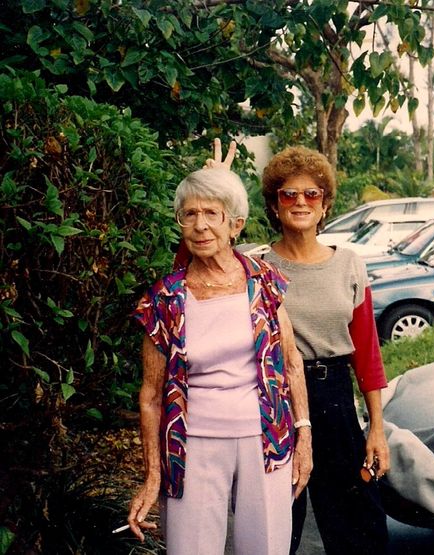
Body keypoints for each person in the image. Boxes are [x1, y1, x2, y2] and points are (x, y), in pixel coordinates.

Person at [205, 141, 391, 554]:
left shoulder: (349, 265)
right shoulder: (252, 266)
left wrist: (375, 427)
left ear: (325, 205)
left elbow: (368, 354)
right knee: (275, 526)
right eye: (289, 194)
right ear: (274, 205)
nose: (301, 201)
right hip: (272, 398)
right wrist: (215, 189)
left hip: (336, 398)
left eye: (312, 194)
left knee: (358, 525)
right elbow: (194, 261)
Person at [127, 165, 312, 555]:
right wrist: (152, 475)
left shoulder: (263, 282)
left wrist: (304, 435)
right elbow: (150, 395)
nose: (200, 225)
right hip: (190, 445)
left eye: (212, 213)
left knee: (266, 547)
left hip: (266, 439)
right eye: (189, 214)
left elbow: (292, 363)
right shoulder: (164, 299)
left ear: (235, 224)